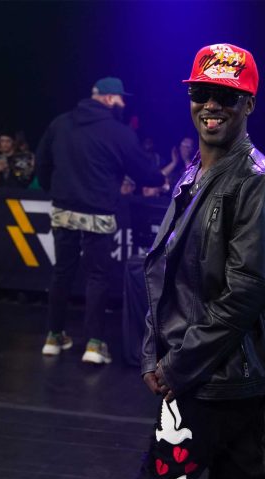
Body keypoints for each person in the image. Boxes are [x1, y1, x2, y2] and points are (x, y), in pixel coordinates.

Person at [127, 43, 265, 479]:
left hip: (217, 374)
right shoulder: (194, 174)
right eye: (201, 92)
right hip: (212, 369)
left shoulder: (259, 183)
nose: (211, 105)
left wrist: (175, 366)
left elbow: (243, 294)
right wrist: (153, 353)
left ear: (249, 104)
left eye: (227, 95)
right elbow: (169, 276)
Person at [36, 76, 162, 361]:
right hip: (99, 211)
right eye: (120, 99)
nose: (123, 104)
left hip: (64, 209)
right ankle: (94, 344)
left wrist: (54, 191)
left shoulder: (60, 123)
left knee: (61, 272)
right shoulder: (118, 132)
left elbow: (42, 162)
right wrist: (159, 179)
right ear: (107, 98)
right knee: (97, 276)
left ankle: (53, 337)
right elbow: (143, 170)